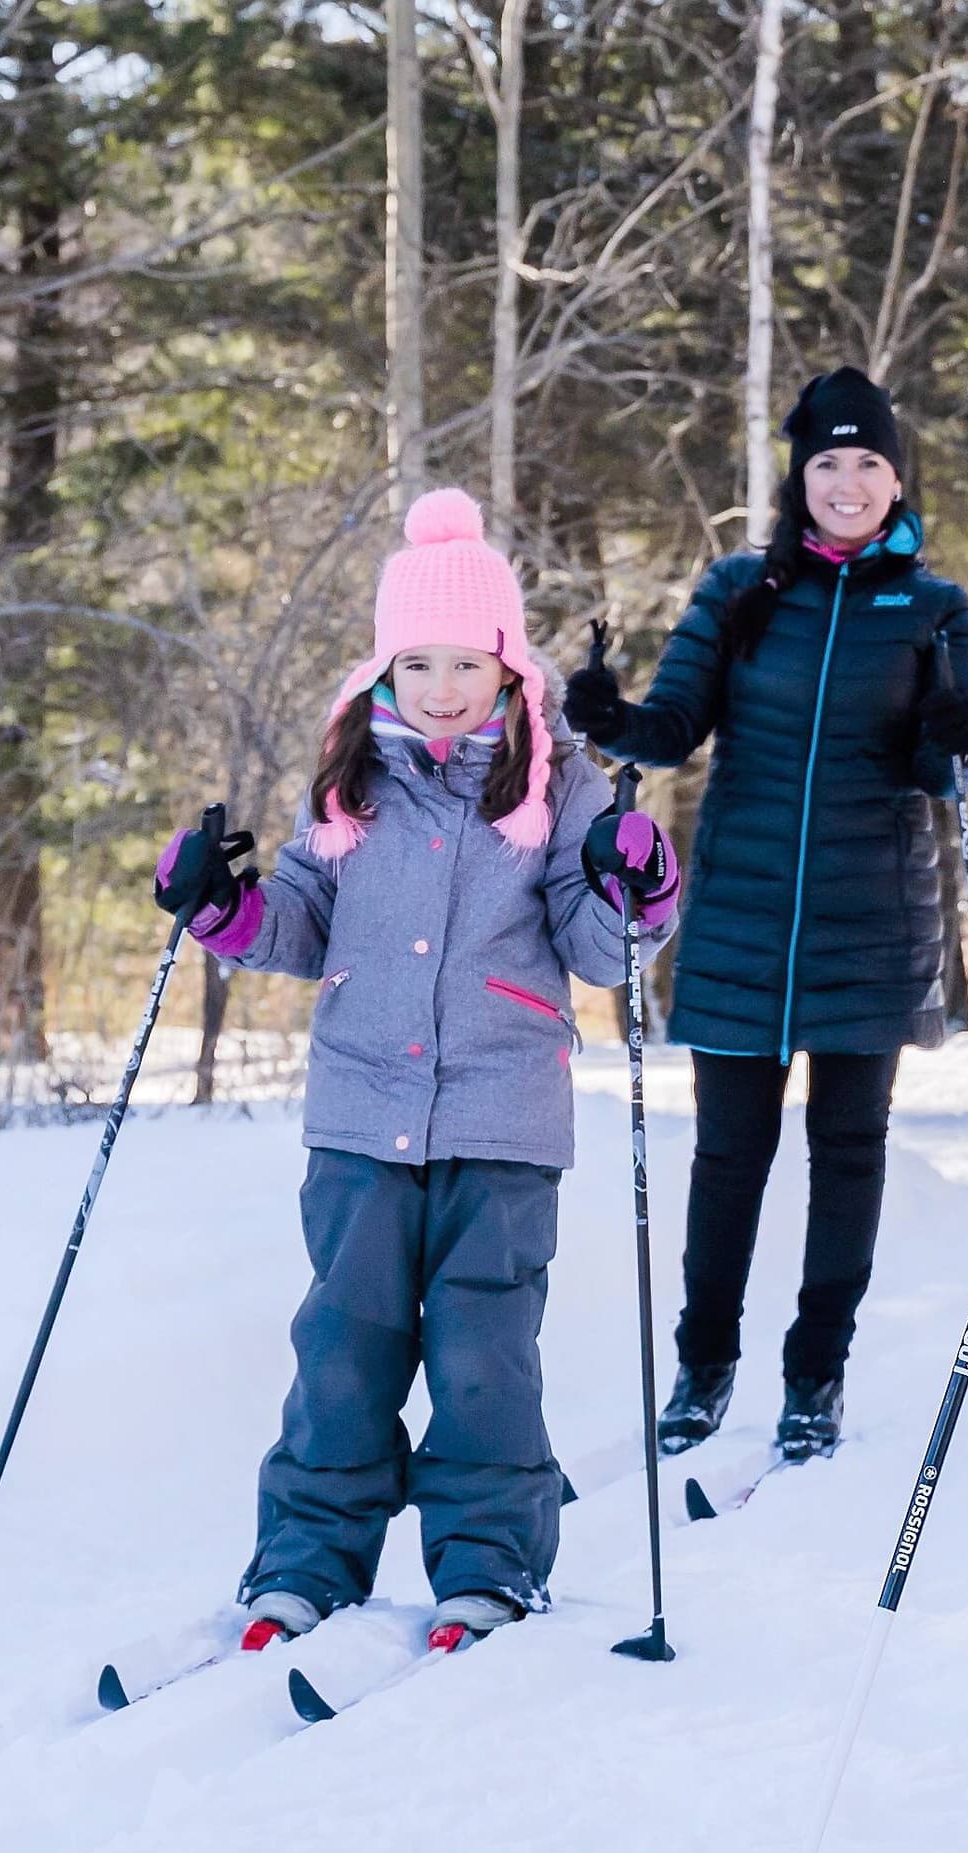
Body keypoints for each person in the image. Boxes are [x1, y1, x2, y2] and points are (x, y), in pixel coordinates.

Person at [153, 487, 679, 1657]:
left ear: (507, 665)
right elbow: (301, 919)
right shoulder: (352, 778)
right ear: (386, 665)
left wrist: (635, 884)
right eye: (418, 662)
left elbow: (602, 952)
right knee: (342, 1353)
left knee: (484, 1360)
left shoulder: (557, 787)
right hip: (360, 1118)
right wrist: (225, 908)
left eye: (466, 663)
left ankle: (489, 1563)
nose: (443, 687)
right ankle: (304, 1562)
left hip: (502, 1121)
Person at [560, 366, 968, 1463]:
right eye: (828, 462)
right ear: (800, 478)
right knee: (729, 1156)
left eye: (869, 462)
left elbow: (951, 772)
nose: (848, 482)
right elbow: (672, 728)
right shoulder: (738, 589)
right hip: (743, 917)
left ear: (897, 479)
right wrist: (609, 719)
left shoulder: (934, 610)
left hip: (871, 924)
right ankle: (704, 1367)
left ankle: (815, 1375)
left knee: (848, 1154)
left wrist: (955, 739)